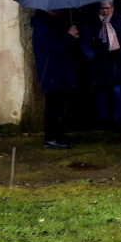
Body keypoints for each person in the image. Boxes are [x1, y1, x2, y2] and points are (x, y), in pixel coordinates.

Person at [80, 0, 121, 132]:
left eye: (107, 8)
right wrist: (91, 54)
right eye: (102, 8)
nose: (105, 11)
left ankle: (117, 120)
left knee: (116, 90)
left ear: (113, 8)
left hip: (116, 60)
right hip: (99, 61)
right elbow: (84, 42)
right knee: (102, 91)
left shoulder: (120, 21)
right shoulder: (91, 23)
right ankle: (103, 120)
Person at [31, 9, 80, 149]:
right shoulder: (42, 25)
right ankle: (50, 138)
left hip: (59, 72)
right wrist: (69, 35)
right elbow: (56, 47)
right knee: (53, 105)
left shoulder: (53, 22)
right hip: (51, 72)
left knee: (59, 104)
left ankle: (57, 134)